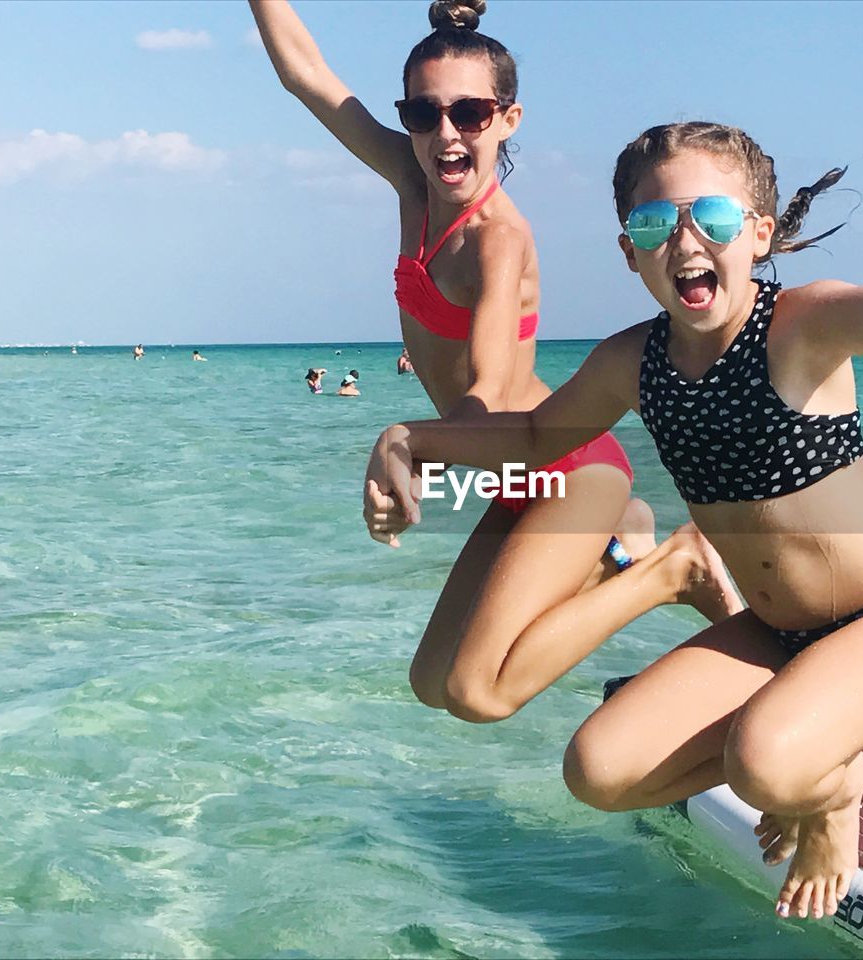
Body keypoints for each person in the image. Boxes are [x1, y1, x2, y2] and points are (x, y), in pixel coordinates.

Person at [366, 123, 863, 920]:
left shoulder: (797, 329)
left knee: (764, 764)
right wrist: (410, 438)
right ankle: (816, 770)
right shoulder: (633, 360)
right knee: (598, 770)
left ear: (757, 234)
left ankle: (827, 789)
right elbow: (540, 433)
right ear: (629, 251)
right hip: (772, 630)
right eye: (654, 222)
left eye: (712, 217)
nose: (684, 238)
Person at [251, 1, 740, 724]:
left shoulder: (497, 241)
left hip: (566, 468)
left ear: (508, 119)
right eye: (423, 113)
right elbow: (304, 73)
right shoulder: (411, 181)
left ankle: (674, 568)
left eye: (470, 113)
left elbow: (483, 396)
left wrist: (405, 447)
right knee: (432, 681)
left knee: (479, 692)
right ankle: (619, 548)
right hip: (513, 475)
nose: (445, 132)